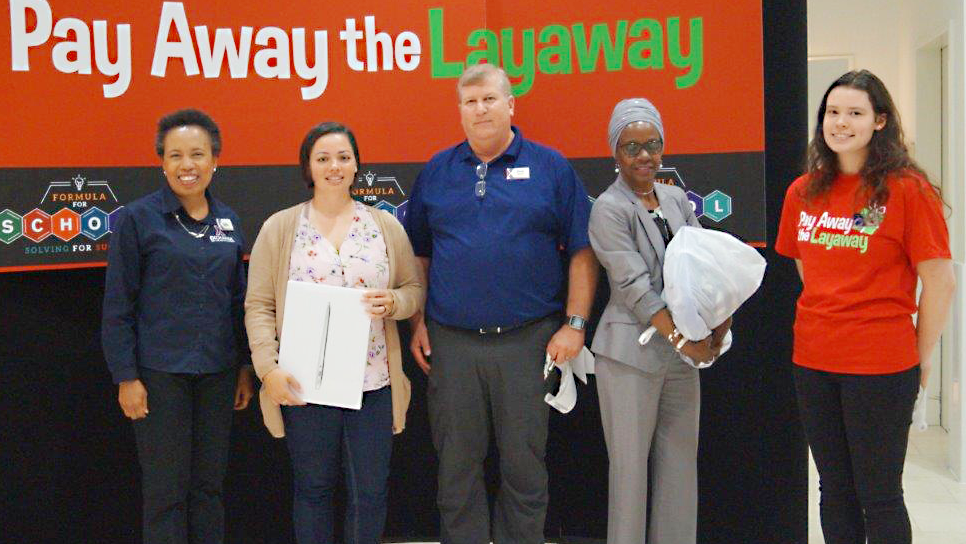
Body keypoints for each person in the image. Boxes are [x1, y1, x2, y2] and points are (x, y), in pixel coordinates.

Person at [404, 63, 598, 544]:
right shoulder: (437, 171)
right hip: (451, 345)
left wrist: (574, 324)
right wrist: (418, 324)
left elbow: (583, 250)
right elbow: (419, 257)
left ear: (510, 104)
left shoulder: (551, 167)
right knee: (455, 468)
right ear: (459, 112)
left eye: (489, 99)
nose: (480, 109)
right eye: (469, 102)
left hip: (528, 343)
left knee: (524, 467)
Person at [776, 70, 954, 544]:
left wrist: (922, 352)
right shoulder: (803, 191)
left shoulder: (907, 190)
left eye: (854, 113)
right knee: (834, 488)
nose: (840, 122)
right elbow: (806, 267)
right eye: (832, 112)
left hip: (880, 363)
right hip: (813, 360)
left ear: (879, 121)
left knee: (878, 494)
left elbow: (940, 279)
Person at [244, 122, 423, 544]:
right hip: (305, 386)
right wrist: (268, 370)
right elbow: (258, 305)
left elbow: (413, 290)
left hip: (373, 384)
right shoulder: (280, 228)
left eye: (343, 157)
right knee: (314, 491)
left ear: (357, 164)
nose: (334, 166)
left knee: (371, 493)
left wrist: (394, 304)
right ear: (308, 167)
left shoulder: (384, 226)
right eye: (323, 158)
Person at [101, 108, 254, 544]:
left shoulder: (229, 221)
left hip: (219, 374)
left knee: (208, 487)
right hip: (158, 375)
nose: (188, 165)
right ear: (162, 163)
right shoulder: (137, 218)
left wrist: (243, 367)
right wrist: (126, 376)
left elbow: (236, 301)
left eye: (198, 154)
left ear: (215, 160)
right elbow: (118, 305)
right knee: (166, 491)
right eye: (176, 156)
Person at [588, 98, 730, 544]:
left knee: (679, 467)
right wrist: (683, 340)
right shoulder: (608, 209)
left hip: (681, 357)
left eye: (652, 144)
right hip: (631, 356)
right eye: (632, 147)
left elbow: (702, 264)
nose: (644, 155)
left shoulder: (673, 199)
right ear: (615, 153)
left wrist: (716, 324)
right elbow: (632, 286)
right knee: (629, 475)